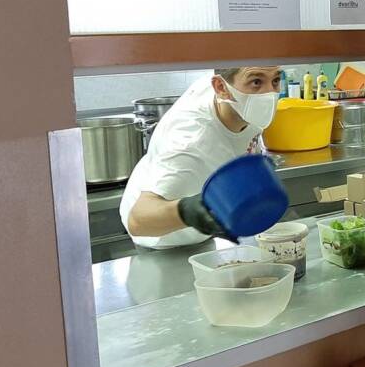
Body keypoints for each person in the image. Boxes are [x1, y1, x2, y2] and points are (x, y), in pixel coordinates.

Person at [120, 66, 282, 249]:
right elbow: (138, 221)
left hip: (205, 236)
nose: (270, 94)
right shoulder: (189, 142)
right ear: (221, 88)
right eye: (256, 82)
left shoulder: (238, 99)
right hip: (164, 243)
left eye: (275, 80)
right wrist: (188, 211)